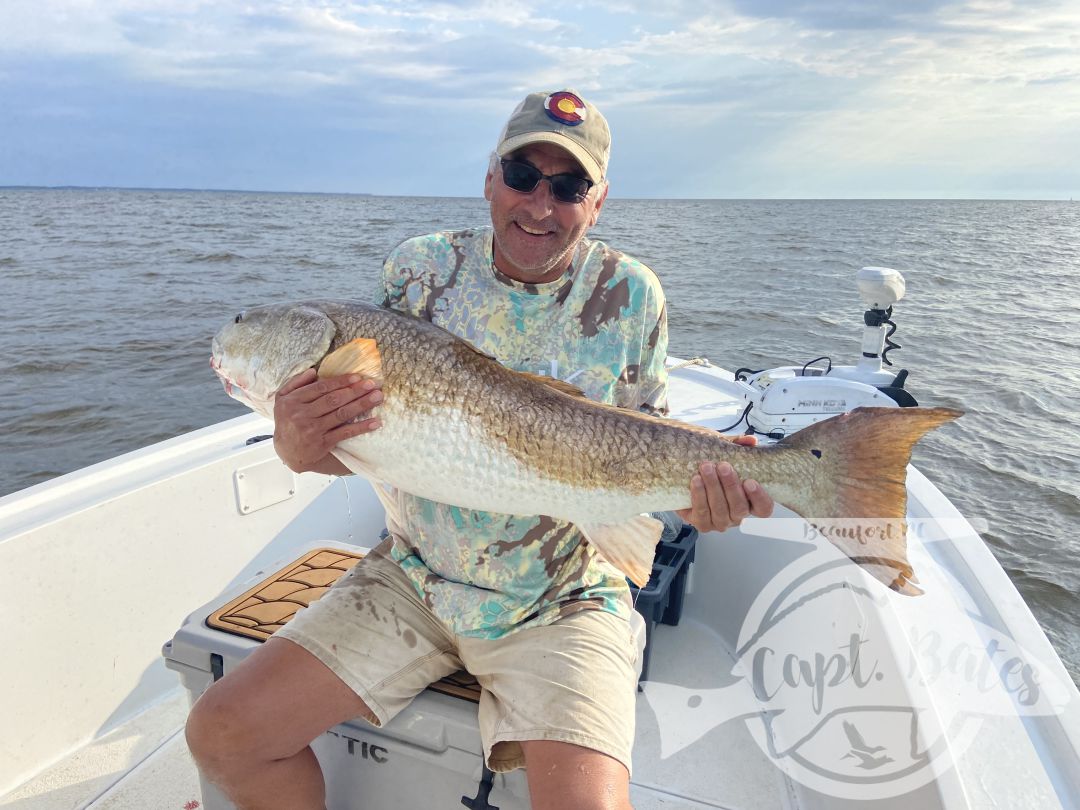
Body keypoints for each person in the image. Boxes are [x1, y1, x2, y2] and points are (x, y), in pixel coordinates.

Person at [185, 89, 774, 810]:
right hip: (416, 577)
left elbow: (639, 439)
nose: (539, 203)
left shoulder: (631, 294)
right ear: (490, 177)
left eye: (568, 186)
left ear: (599, 201)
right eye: (523, 176)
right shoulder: (419, 270)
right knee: (222, 734)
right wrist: (300, 448)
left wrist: (703, 495)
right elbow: (381, 443)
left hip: (564, 596)